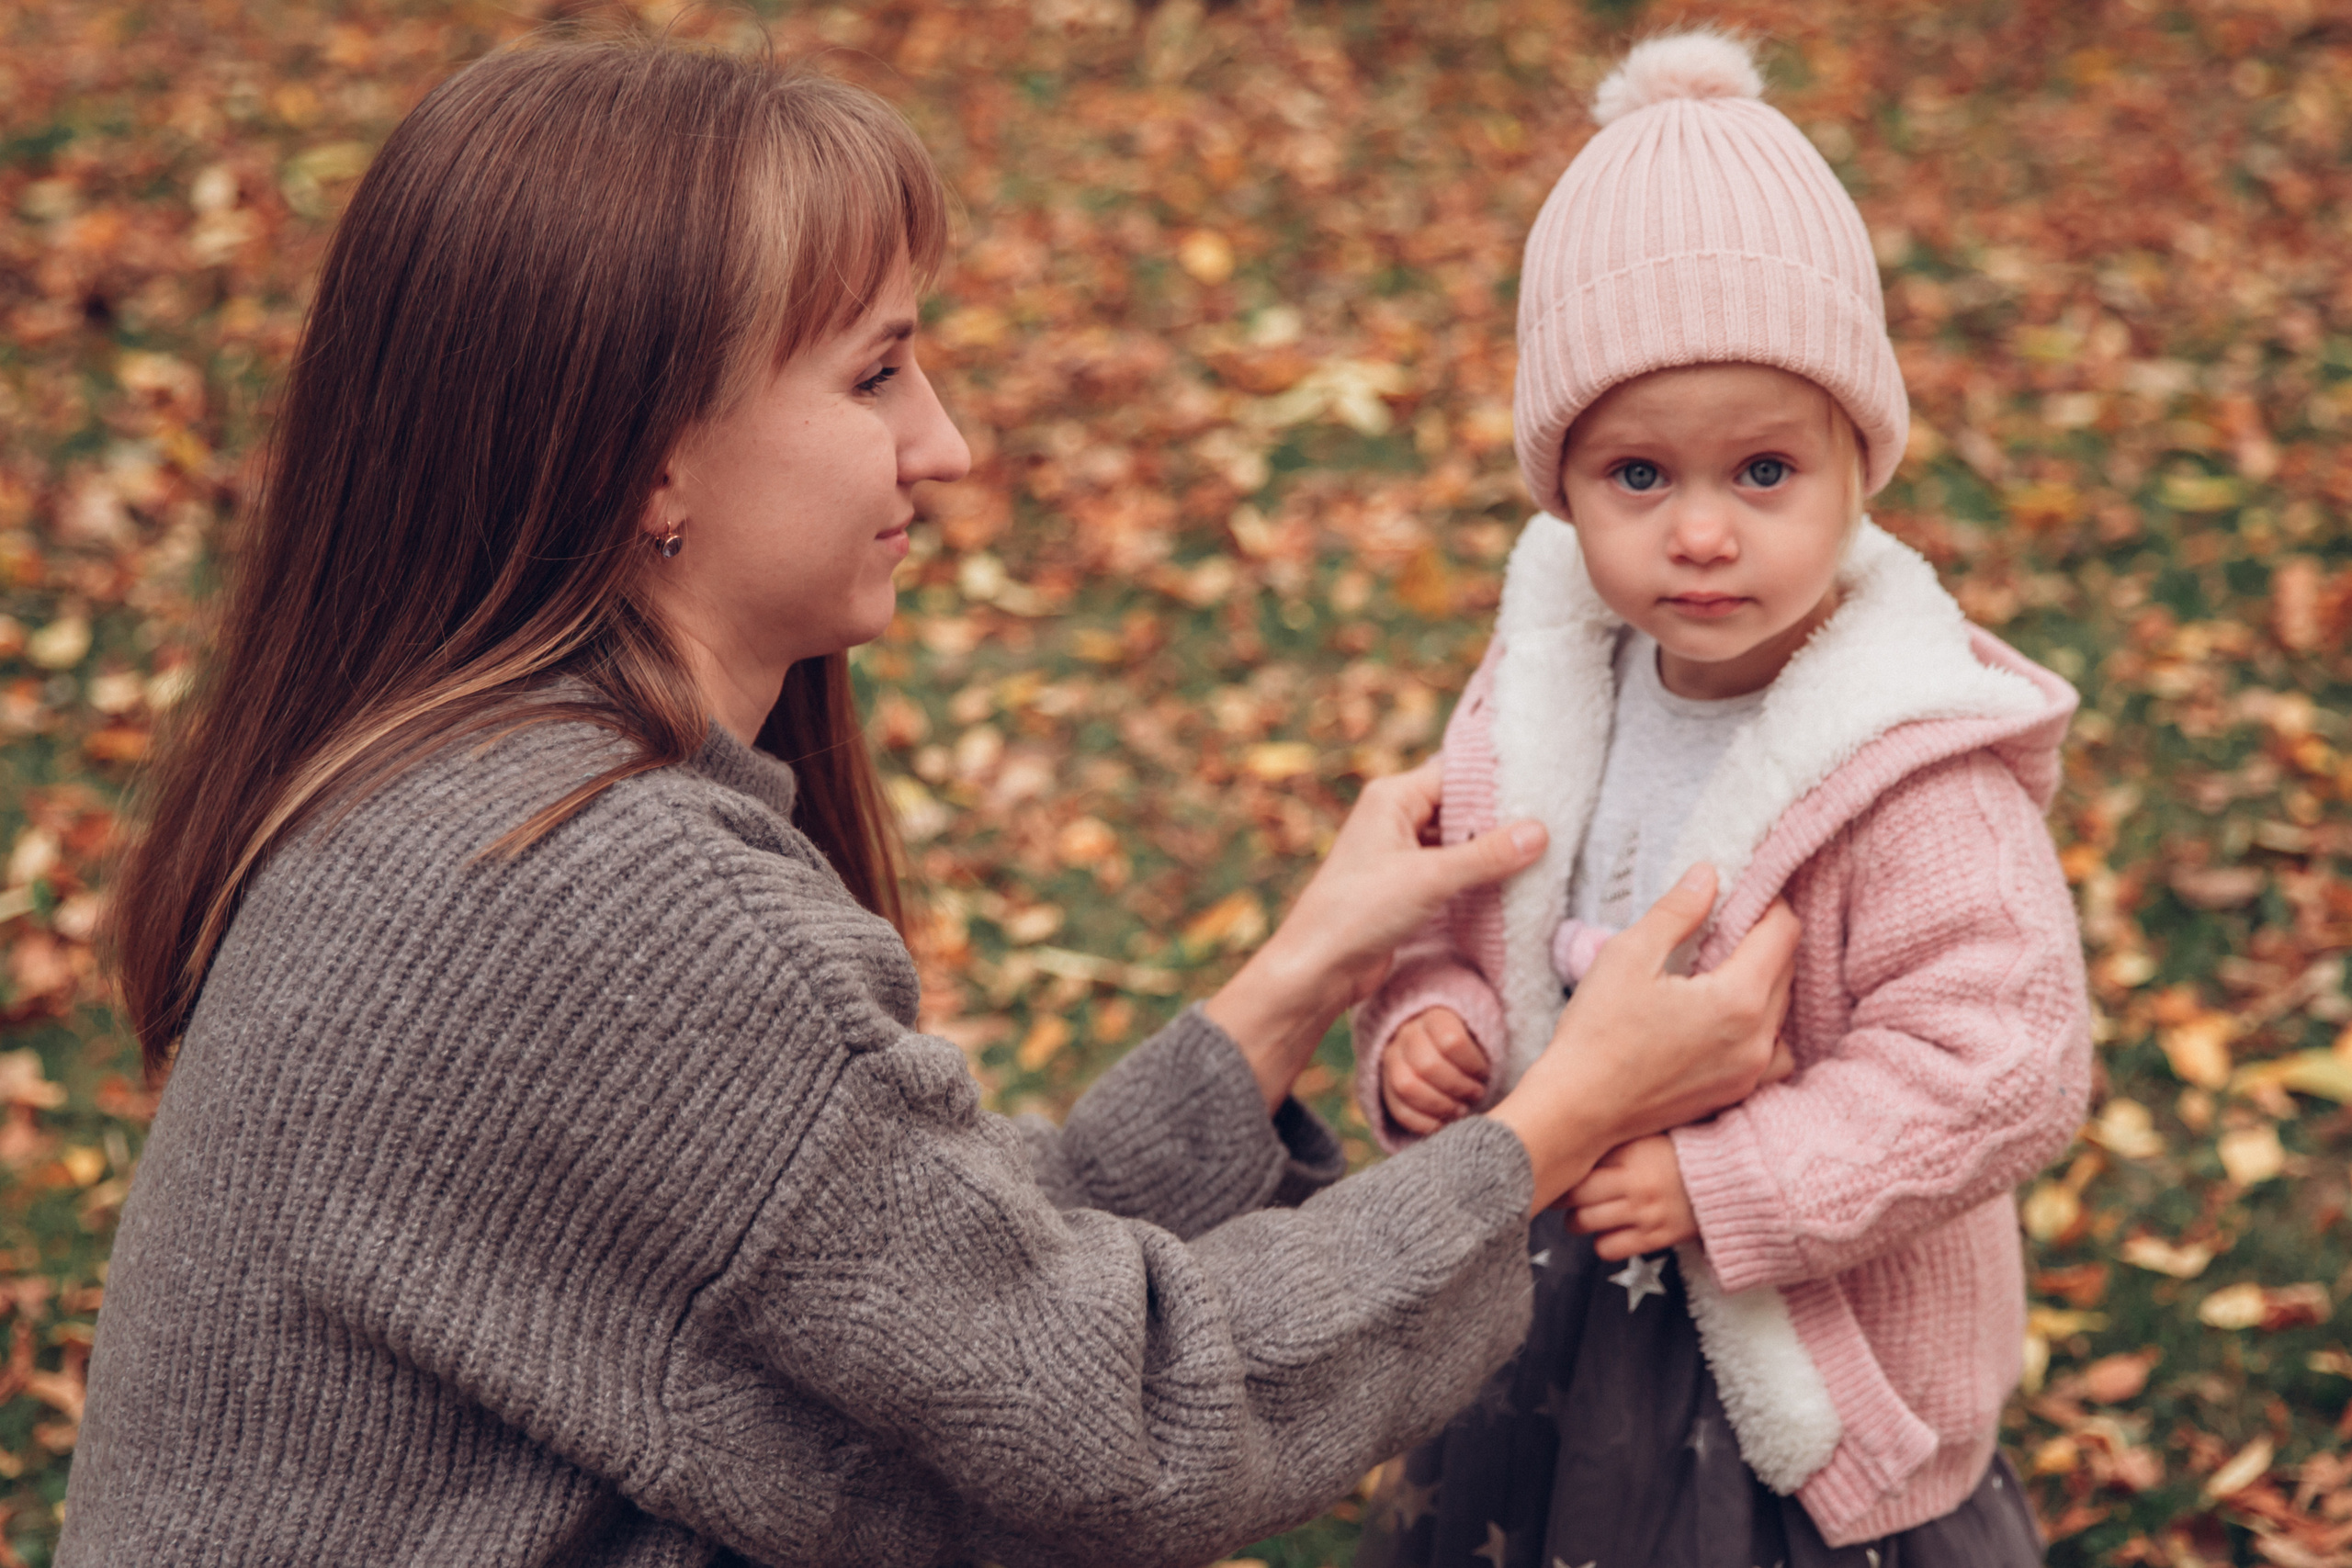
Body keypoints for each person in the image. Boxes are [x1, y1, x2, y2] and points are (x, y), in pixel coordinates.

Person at [62, 39, 1802, 1568]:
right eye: (877, 371)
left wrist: (1281, 999)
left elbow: (905, 1310)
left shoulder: (479, 798)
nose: (947, 443)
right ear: (648, 456)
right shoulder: (599, 896)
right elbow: (1114, 1429)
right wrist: (1555, 1125)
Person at [1350, 30, 2091, 1568]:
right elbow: (1456, 912)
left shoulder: (1907, 764)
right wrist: (1432, 1024)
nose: (1700, 533)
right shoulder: (1541, 696)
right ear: (1561, 486)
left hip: (1804, 1344)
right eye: (1639, 477)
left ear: (1856, 467)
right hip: (1557, 1303)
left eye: (1763, 471)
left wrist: (1730, 1175)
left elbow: (2005, 1059)